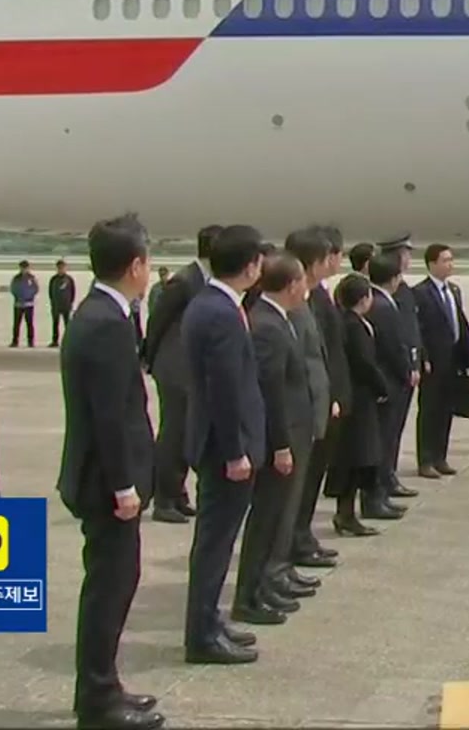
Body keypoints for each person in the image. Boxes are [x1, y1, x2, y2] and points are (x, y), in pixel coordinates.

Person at [55, 215, 164, 730]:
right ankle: (97, 699)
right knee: (109, 587)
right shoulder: (104, 323)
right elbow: (109, 416)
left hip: (105, 478)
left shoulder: (104, 314)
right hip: (105, 482)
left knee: (116, 582)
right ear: (136, 266)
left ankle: (106, 684)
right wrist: (125, 484)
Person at [179, 224, 266, 665]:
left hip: (218, 443)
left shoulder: (212, 304)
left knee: (216, 542)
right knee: (215, 544)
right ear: (251, 266)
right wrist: (236, 451)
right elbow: (225, 389)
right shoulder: (220, 312)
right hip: (223, 448)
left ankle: (210, 622)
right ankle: (201, 635)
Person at [231, 253, 311, 627]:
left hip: (290, 433)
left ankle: (263, 586)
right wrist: (280, 445)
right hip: (278, 438)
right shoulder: (267, 325)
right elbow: (271, 391)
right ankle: (248, 597)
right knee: (264, 520)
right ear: (293, 284)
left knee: (274, 518)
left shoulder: (279, 320)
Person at [143, 225, 222, 524]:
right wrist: (151, 359)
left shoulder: (205, 280)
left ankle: (178, 495)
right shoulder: (184, 282)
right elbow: (158, 321)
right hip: (175, 368)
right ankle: (164, 499)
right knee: (174, 434)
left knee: (187, 432)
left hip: (190, 369)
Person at [284, 227, 341, 569]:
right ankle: (290, 549)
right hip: (299, 413)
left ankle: (299, 539)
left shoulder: (316, 296)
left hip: (318, 406)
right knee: (293, 494)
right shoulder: (294, 302)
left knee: (307, 487)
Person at [326, 273, 395, 537]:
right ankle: (345, 514)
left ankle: (348, 513)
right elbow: (364, 363)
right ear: (364, 299)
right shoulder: (353, 326)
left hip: (361, 399)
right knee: (355, 458)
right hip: (358, 401)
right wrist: (382, 386)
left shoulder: (354, 322)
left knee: (359, 459)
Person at [413, 243, 469, 472]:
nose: (450, 264)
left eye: (451, 259)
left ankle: (441, 456)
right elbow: (417, 330)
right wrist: (424, 358)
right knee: (430, 410)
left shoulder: (454, 290)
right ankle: (426, 459)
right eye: (445, 260)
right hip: (433, 362)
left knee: (446, 410)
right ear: (432, 264)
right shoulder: (420, 293)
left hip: (453, 360)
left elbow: (457, 323)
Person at [362, 255, 417, 513]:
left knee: (385, 440)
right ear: (394, 279)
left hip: (385, 381)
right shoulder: (382, 306)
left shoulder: (376, 302)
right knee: (382, 441)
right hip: (388, 382)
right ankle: (375, 497)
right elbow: (393, 347)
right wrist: (407, 371)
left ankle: (381, 491)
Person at [376, 235, 423, 502]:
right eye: (405, 254)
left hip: (407, 369)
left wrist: (416, 362)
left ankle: (389, 473)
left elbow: (412, 333)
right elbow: (398, 336)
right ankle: (384, 477)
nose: (408, 259)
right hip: (395, 372)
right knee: (388, 428)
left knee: (396, 427)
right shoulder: (388, 294)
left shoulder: (404, 290)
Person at [48, 259, 78, 348]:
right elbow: (50, 292)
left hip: (66, 305)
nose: (61, 269)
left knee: (67, 324)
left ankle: (68, 342)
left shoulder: (69, 279)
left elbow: (73, 292)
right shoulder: (53, 279)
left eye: (62, 268)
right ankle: (55, 341)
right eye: (59, 268)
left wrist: (70, 302)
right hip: (56, 305)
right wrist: (53, 302)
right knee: (55, 324)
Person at [10, 260, 40, 348]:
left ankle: (31, 341)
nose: (23, 270)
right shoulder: (16, 278)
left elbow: (36, 289)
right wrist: (18, 297)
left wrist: (29, 297)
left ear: (28, 268)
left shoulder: (32, 278)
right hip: (18, 304)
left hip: (29, 304)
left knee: (30, 323)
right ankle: (15, 341)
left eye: (25, 268)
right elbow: (13, 288)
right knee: (16, 324)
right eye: (22, 268)